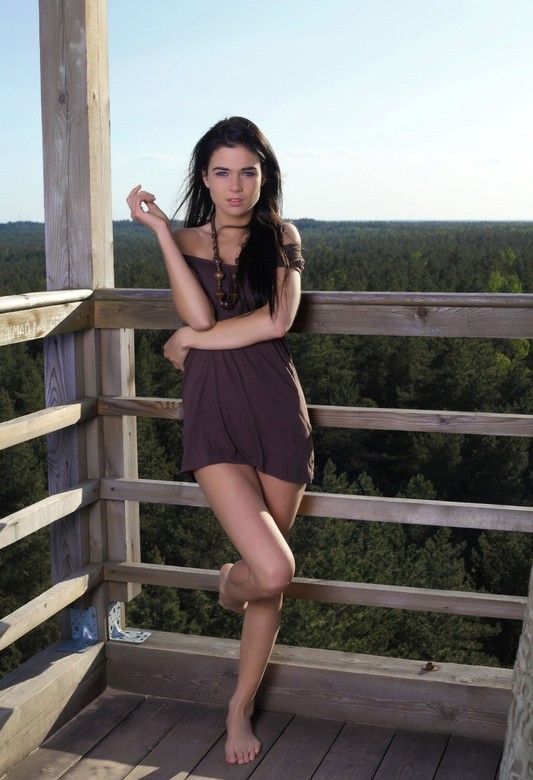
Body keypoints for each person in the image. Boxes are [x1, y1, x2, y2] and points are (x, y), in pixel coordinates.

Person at [127, 116, 314, 766]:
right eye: (222, 172)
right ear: (204, 179)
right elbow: (201, 315)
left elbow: (277, 320)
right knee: (271, 570)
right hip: (213, 415)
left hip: (276, 411)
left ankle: (239, 707)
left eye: (248, 172)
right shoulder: (182, 238)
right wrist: (161, 234)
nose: (236, 186)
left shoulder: (281, 236)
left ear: (264, 177)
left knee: (269, 580)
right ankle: (229, 582)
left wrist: (189, 341)